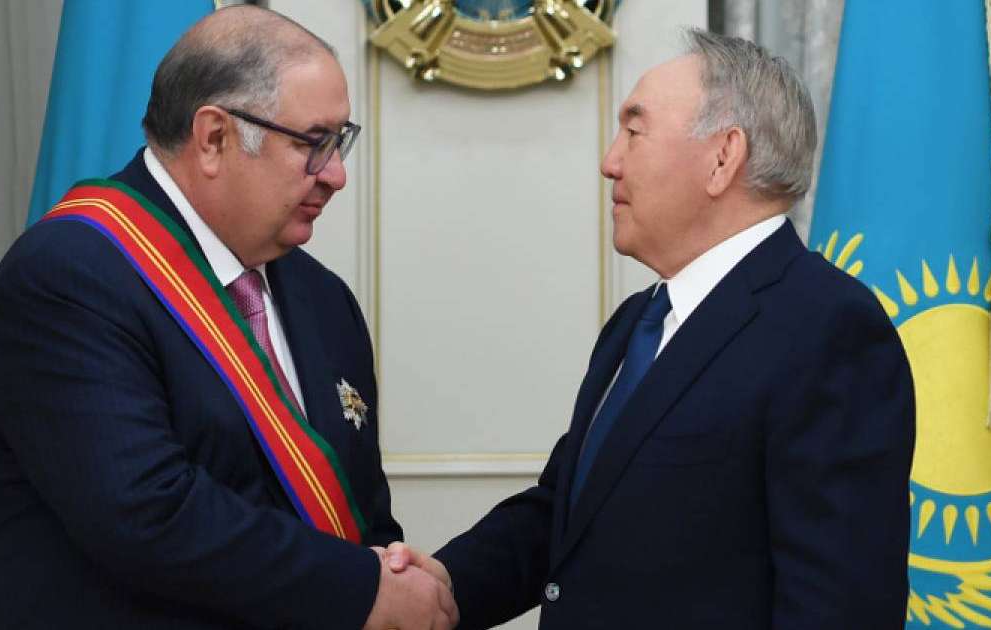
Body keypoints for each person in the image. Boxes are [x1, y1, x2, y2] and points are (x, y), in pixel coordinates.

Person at [387, 28, 915, 629]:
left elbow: (840, 607)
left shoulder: (828, 329)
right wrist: (445, 585)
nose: (609, 162)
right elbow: (569, 511)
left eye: (634, 132)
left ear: (723, 157)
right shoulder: (638, 321)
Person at [0, 7, 456, 629]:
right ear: (213, 137)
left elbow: (360, 514)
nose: (336, 174)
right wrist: (360, 589)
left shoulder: (324, 299)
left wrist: (393, 582)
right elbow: (146, 512)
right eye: (313, 143)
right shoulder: (69, 277)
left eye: (339, 141)